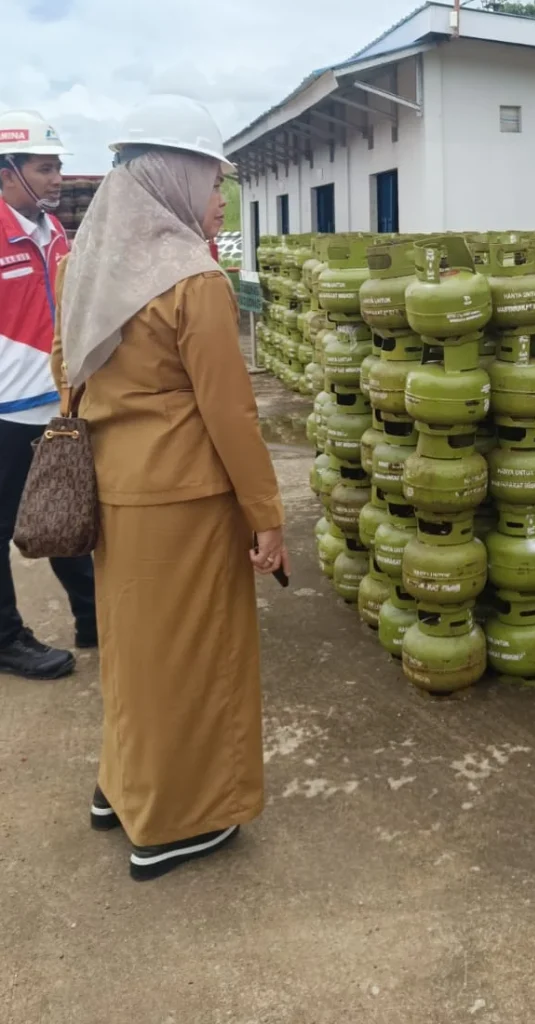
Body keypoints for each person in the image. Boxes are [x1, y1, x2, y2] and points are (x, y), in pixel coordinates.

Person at [53, 94, 289, 882]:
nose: (219, 198)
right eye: (212, 178)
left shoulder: (92, 264)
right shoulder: (193, 280)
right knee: (194, 657)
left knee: (133, 651)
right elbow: (231, 413)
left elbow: (68, 372)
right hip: (187, 498)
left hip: (115, 486)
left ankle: (122, 788)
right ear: (174, 177)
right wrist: (267, 516)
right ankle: (178, 819)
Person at [0, 110, 96, 680]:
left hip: (56, 405)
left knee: (66, 515)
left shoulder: (52, 229)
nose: (58, 177)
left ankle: (93, 619)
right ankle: (6, 638)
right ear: (9, 170)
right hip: (5, 414)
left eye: (58, 165)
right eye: (46, 166)